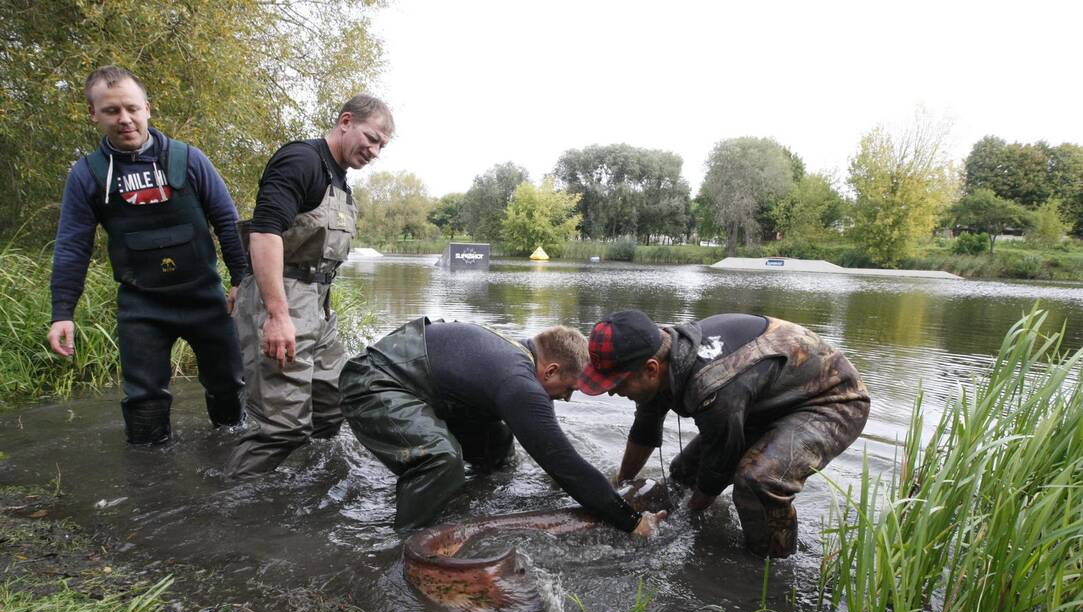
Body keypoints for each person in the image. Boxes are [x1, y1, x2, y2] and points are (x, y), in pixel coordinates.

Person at [48, 65, 247, 445]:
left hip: (206, 298)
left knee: (229, 387)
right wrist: (62, 313)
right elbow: (73, 244)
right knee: (144, 401)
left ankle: (231, 460)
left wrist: (241, 280)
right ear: (94, 114)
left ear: (147, 108)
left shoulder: (189, 159)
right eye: (111, 111)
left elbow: (227, 221)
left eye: (132, 108)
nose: (124, 119)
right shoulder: (87, 175)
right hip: (142, 306)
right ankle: (148, 483)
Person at [578, 309, 869, 557]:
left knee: (759, 479)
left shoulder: (712, 385)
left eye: (616, 383)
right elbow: (644, 430)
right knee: (682, 473)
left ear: (651, 369)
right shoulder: (657, 353)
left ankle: (770, 566)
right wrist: (619, 488)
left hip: (832, 401)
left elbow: (719, 466)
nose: (612, 391)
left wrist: (678, 522)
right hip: (764, 400)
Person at [339, 317, 667, 535]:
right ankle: (408, 541)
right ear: (550, 371)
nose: (566, 398)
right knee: (441, 459)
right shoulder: (518, 381)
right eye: (568, 389)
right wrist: (631, 521)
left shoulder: (514, 358)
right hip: (373, 384)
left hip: (418, 387)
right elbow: (563, 463)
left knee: (498, 443)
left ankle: (463, 500)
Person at [224, 94, 393, 480]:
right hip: (282, 297)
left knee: (333, 404)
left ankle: (309, 481)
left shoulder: (341, 180)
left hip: (319, 303)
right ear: (346, 121)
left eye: (382, 145)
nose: (375, 150)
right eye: (371, 137)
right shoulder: (302, 161)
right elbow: (265, 233)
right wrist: (276, 315)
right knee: (280, 427)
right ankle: (232, 499)